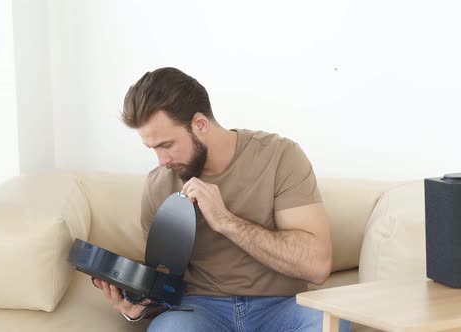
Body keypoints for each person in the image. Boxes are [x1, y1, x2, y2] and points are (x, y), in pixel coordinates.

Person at [93, 67, 352, 332]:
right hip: (200, 311)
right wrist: (138, 308)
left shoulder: (279, 157)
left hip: (281, 307)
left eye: (167, 145)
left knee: (327, 324)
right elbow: (166, 284)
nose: (162, 160)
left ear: (200, 124)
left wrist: (226, 221)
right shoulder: (158, 185)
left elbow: (317, 266)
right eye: (153, 148)